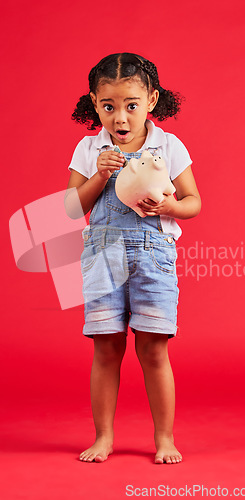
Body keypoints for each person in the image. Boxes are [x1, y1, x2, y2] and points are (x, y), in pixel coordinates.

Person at [65, 53, 201, 464]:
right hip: (102, 259)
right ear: (94, 103)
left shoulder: (168, 145)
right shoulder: (90, 148)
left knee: (154, 349)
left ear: (152, 101)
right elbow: (71, 209)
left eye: (131, 105)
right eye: (108, 107)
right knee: (106, 348)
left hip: (153, 258)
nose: (120, 118)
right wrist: (99, 175)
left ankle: (164, 439)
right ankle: (103, 437)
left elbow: (194, 202)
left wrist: (172, 209)